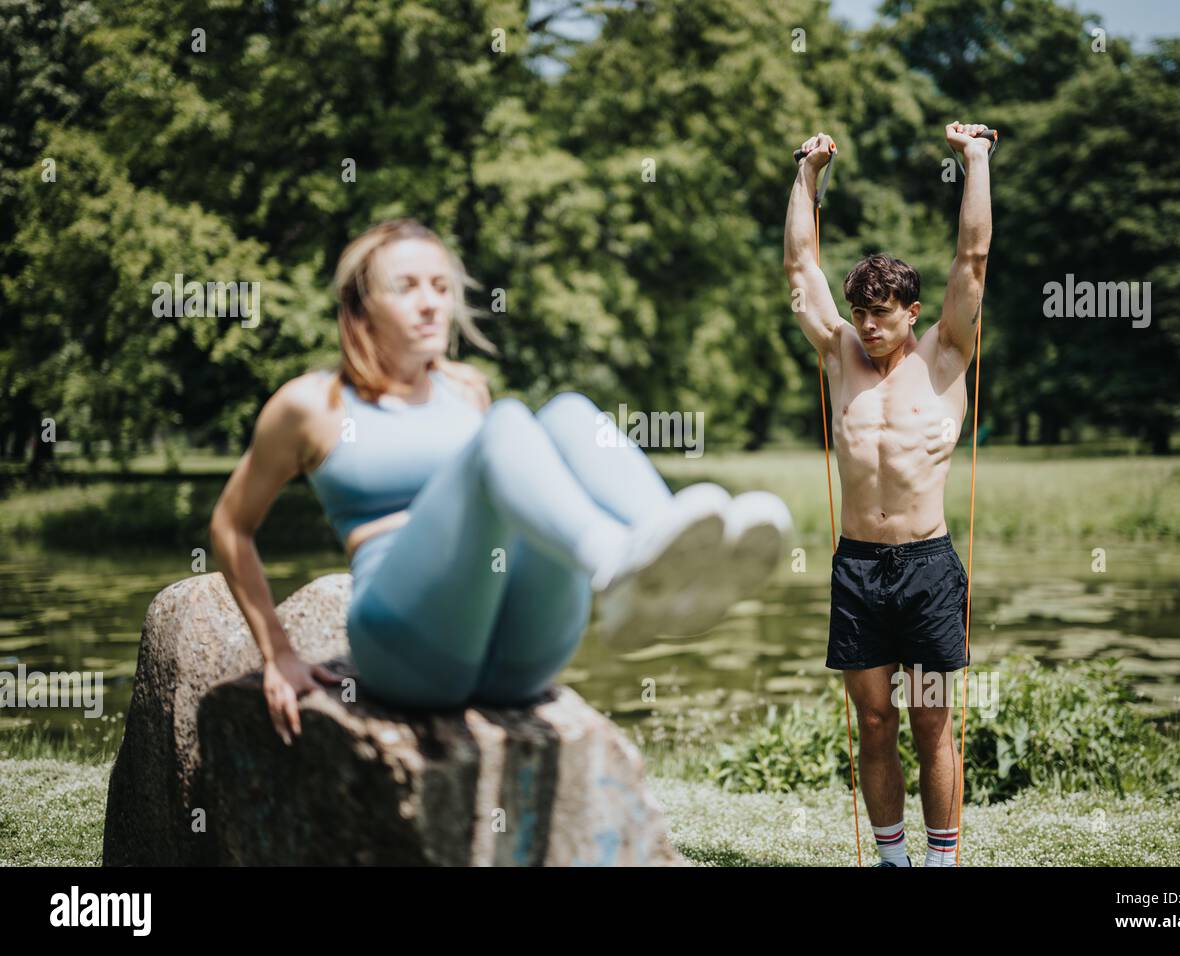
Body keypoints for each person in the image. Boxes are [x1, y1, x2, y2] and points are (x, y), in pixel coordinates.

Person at [210, 219, 791, 746]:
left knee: (565, 411)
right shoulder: (312, 403)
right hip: (409, 648)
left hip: (519, 657)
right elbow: (231, 525)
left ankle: (668, 556)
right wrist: (278, 653)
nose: (431, 304)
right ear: (361, 307)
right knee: (509, 424)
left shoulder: (465, 389)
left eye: (441, 287)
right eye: (406, 287)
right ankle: (614, 563)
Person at [783, 123, 993, 867]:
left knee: (933, 723)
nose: (869, 328)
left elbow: (972, 258)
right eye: (861, 313)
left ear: (910, 312)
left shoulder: (944, 354)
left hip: (929, 568)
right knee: (875, 724)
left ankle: (941, 861)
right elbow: (800, 263)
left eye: (883, 314)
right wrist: (808, 173)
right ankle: (893, 860)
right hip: (858, 570)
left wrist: (974, 159)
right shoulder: (838, 354)